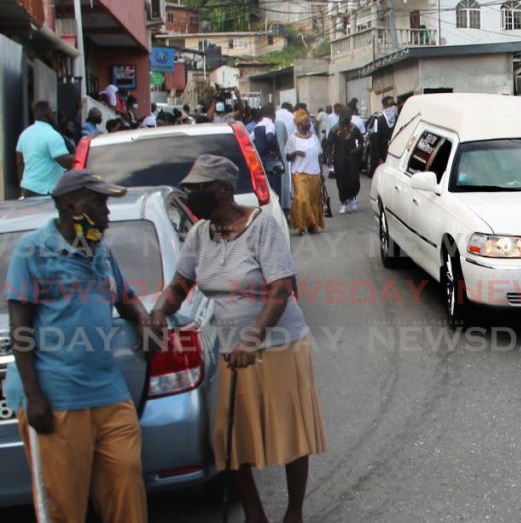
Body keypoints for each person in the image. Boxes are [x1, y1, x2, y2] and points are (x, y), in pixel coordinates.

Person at [152, 156, 326, 523]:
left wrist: (252, 339)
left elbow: (281, 290)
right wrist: (157, 313)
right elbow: (180, 285)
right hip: (232, 351)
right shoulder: (201, 234)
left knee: (290, 432)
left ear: (225, 191)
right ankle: (254, 514)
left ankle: (294, 512)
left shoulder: (261, 226)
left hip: (277, 345)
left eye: (200, 189)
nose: (192, 195)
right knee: (232, 438)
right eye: (190, 189)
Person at [7, 170, 154, 522]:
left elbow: (126, 298)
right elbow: (20, 328)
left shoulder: (100, 251)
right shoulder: (33, 252)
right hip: (57, 398)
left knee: (126, 490)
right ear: (72, 205)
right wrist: (35, 395)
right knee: (63, 506)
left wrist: (144, 323)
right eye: (99, 202)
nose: (107, 211)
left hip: (109, 393)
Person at [16, 102, 74, 198]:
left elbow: (19, 162)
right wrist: (82, 155)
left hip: (28, 188)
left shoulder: (24, 134)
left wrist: (22, 184)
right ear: (49, 115)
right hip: (46, 190)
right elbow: (64, 162)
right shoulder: (52, 135)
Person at [285, 110, 324, 235]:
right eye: (305, 121)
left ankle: (312, 225)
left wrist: (321, 173)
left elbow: (319, 156)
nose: (308, 123)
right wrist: (295, 153)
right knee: (302, 198)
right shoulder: (293, 139)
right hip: (299, 173)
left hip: (314, 173)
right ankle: (300, 225)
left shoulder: (314, 137)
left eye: (308, 121)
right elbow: (287, 157)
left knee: (313, 200)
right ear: (299, 124)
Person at [327, 112, 364, 214]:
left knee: (353, 179)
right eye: (349, 116)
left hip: (352, 158)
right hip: (339, 158)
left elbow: (361, 141)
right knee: (341, 181)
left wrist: (358, 149)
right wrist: (329, 156)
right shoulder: (335, 129)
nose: (350, 117)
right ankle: (343, 202)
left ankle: (352, 198)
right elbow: (329, 143)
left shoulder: (354, 128)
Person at [366, 96, 397, 171]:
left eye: (393, 105)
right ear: (384, 106)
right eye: (390, 105)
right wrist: (379, 158)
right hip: (382, 156)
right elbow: (375, 140)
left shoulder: (397, 119)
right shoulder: (378, 120)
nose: (392, 107)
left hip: (394, 155)